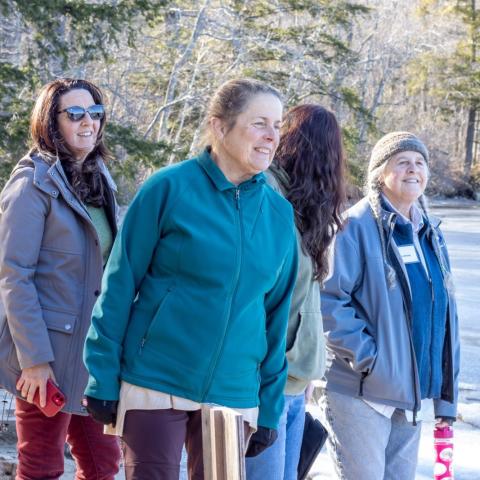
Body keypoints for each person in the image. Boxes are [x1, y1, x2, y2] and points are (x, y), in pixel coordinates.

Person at [82, 78, 298, 479]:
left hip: (233, 391)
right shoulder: (168, 188)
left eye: (278, 125)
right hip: (156, 379)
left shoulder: (279, 215)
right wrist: (102, 376)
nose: (272, 136)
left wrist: (270, 405)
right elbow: (120, 284)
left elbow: (275, 317)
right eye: (259, 123)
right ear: (219, 127)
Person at [319, 131, 460, 480]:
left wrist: (445, 397)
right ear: (380, 172)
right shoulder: (354, 227)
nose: (414, 170)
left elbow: (444, 316)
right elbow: (328, 300)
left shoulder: (429, 232)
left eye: (420, 162)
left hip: (410, 395)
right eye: (403, 162)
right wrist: (372, 362)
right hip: (362, 393)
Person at [0, 78, 121, 479]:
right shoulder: (32, 183)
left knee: (104, 466)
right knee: (41, 467)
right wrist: (34, 361)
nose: (89, 122)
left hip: (93, 357)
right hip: (46, 357)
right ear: (51, 121)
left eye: (95, 113)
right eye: (75, 114)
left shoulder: (99, 179)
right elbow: (14, 276)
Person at [245, 104, 346, 479]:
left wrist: (308, 373)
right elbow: (254, 291)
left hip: (294, 380)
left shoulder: (310, 208)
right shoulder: (267, 191)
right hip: (262, 380)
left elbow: (311, 297)